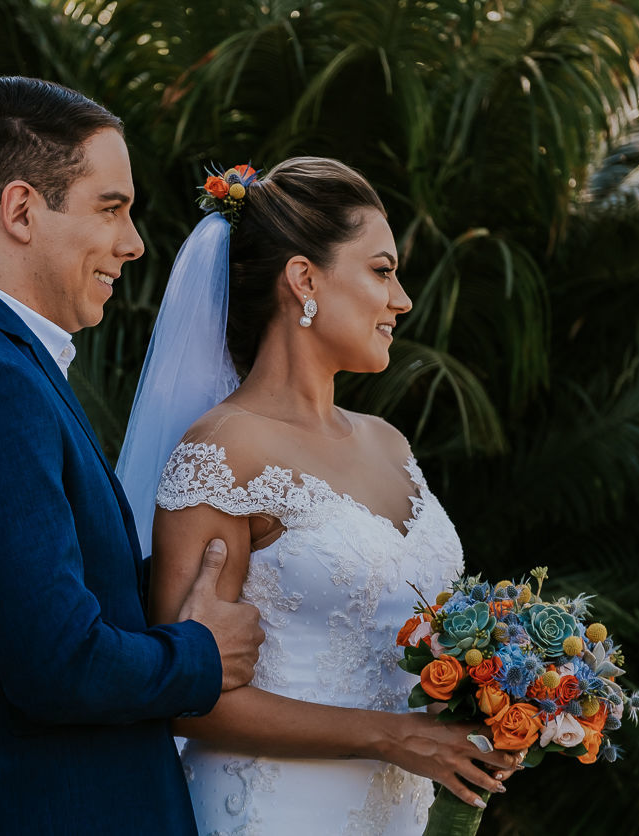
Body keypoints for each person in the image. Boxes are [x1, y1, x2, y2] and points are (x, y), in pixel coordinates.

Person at [0, 76, 263, 835]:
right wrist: (201, 655)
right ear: (21, 210)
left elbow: (66, 593)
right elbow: (58, 665)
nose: (135, 243)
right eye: (111, 208)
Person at [117, 158, 522, 834]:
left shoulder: (390, 444)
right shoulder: (223, 453)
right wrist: (391, 736)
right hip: (270, 811)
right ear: (303, 279)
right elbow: (185, 696)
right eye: (382, 271)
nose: (403, 301)